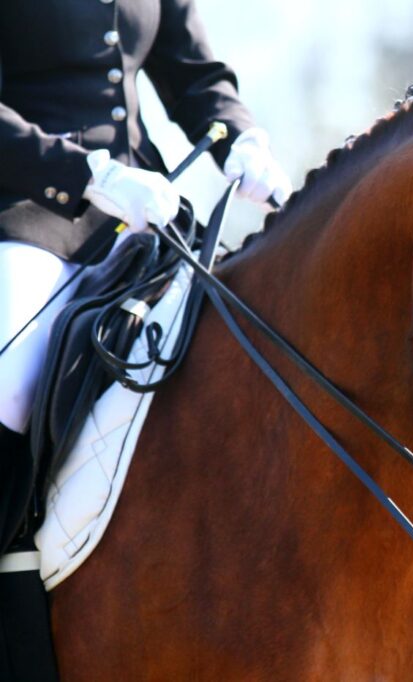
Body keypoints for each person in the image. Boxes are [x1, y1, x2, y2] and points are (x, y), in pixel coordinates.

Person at [0, 1, 292, 677]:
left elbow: (194, 76)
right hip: (25, 210)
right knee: (11, 382)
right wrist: (91, 176)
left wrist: (243, 137)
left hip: (146, 213)